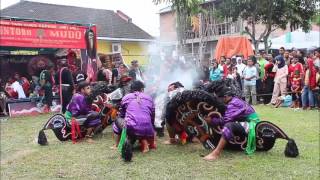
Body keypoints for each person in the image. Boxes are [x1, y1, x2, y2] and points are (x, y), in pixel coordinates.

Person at [203, 86, 260, 161]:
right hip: (249, 122)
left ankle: (216, 153)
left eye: (220, 99)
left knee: (229, 126)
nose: (219, 101)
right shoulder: (234, 100)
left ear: (225, 97)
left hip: (252, 125)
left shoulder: (233, 104)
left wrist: (212, 120)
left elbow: (226, 120)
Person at [112, 81, 156, 153]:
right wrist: (152, 127)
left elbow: (122, 114)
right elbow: (152, 115)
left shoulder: (126, 97)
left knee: (117, 119)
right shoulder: (149, 98)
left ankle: (117, 144)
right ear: (142, 89)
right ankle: (144, 142)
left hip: (132, 127)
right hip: (148, 129)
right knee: (139, 124)